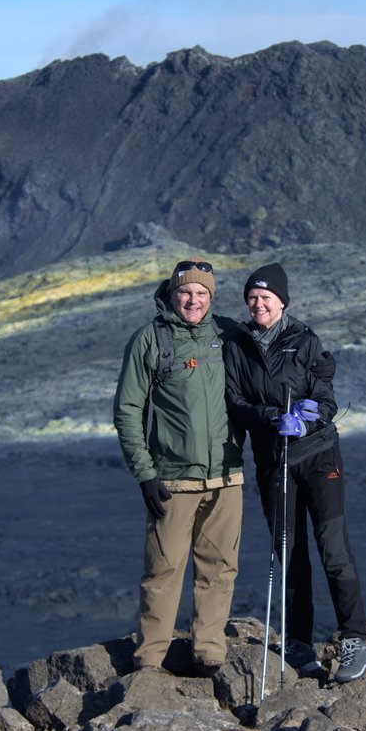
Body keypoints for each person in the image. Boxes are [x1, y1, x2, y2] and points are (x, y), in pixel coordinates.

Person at [223, 262, 366, 683]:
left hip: (318, 456)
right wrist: (272, 416)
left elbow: (326, 399)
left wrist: (310, 417)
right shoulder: (237, 345)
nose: (258, 304)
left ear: (282, 302)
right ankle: (299, 641)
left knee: (332, 548)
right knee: (288, 553)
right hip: (274, 460)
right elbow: (233, 401)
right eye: (252, 298)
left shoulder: (304, 341)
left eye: (266, 298)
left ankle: (355, 640)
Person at [113, 258, 245, 676]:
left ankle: (208, 653)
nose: (193, 300)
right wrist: (145, 474)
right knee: (163, 571)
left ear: (211, 297)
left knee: (220, 568)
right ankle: (150, 660)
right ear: (171, 295)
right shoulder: (150, 340)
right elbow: (127, 410)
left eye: (202, 293)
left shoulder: (228, 336)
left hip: (227, 477)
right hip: (172, 481)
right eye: (186, 292)